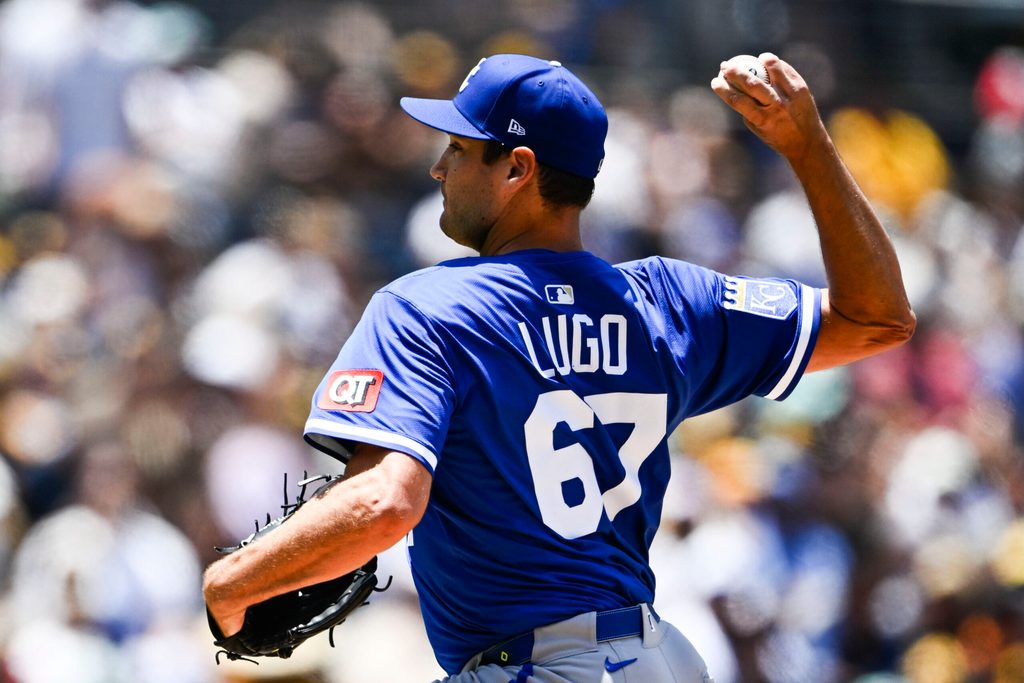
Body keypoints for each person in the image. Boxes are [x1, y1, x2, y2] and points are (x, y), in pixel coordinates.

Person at [204, 53, 915, 682]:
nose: (439, 167)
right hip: (656, 659)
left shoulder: (428, 307)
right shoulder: (670, 299)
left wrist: (231, 581)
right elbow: (877, 318)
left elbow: (384, 504)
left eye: (459, 147)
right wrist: (810, 150)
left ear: (517, 169)